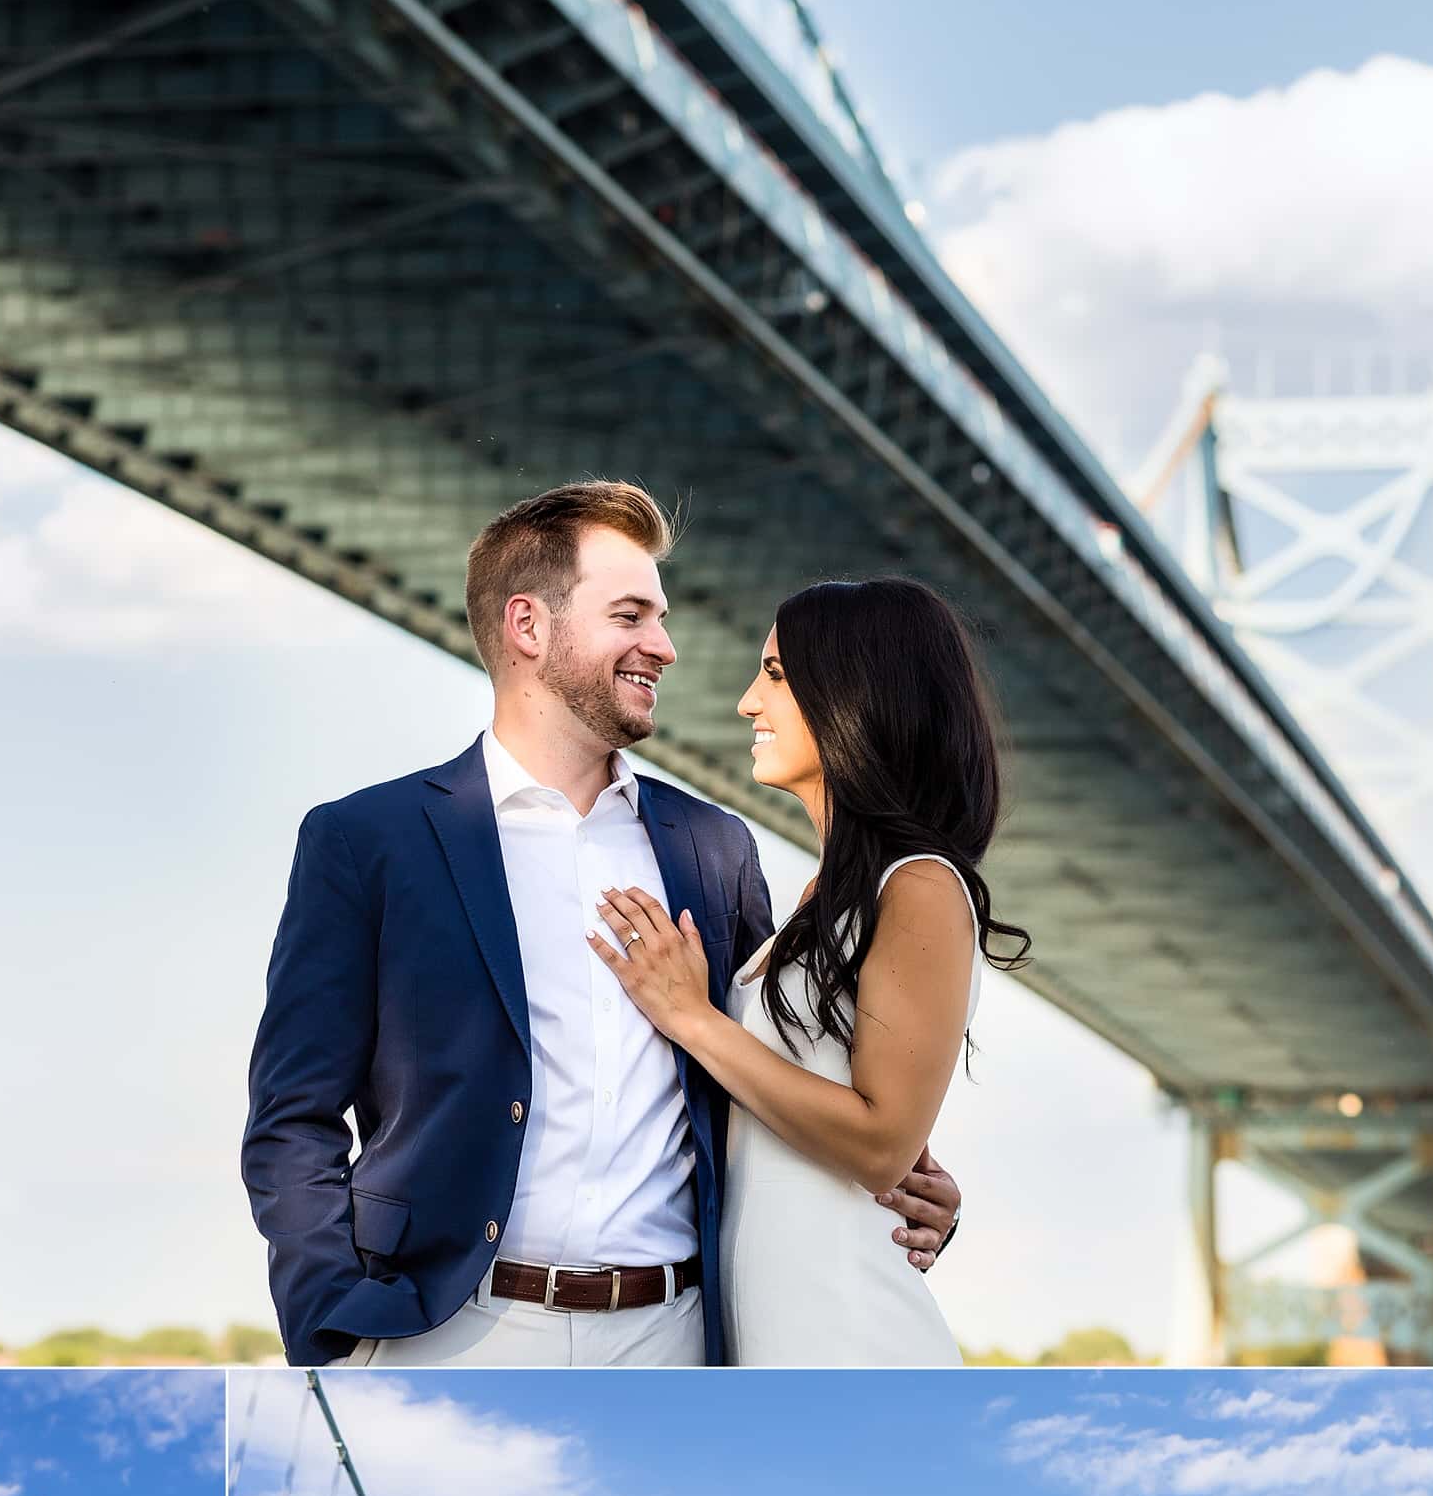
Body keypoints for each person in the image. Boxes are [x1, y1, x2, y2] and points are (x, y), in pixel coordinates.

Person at [242, 479, 962, 1367]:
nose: (663, 646)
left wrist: (903, 1185)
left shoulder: (712, 847)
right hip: (443, 1332)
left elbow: (767, 1074)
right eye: (631, 615)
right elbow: (292, 1115)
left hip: (676, 1336)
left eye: (660, 617)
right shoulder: (366, 842)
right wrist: (334, 1316)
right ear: (528, 627)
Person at [588, 575, 1027, 1363]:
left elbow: (882, 1145)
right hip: (768, 1338)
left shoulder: (920, 884)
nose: (748, 703)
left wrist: (691, 1017)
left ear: (857, 694)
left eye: (777, 676)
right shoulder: (819, 900)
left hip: (850, 1340)